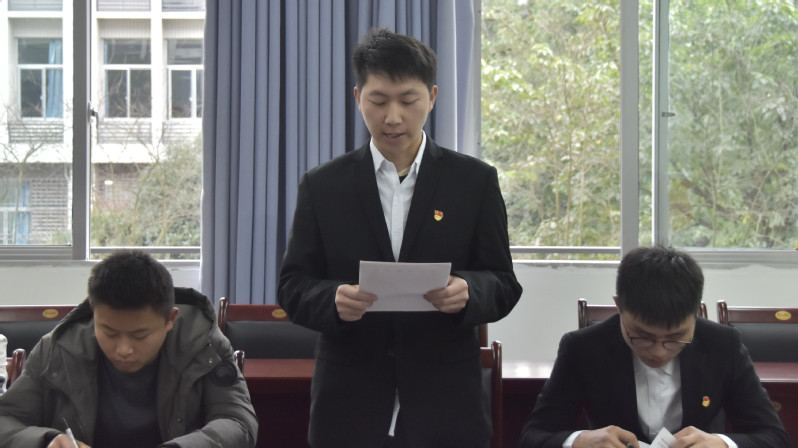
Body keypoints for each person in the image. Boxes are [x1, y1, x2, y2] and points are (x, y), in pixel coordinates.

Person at [278, 27, 522, 448]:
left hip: (446, 405)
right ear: (358, 98)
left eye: (408, 101)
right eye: (378, 101)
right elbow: (292, 286)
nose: (393, 117)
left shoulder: (474, 182)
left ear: (432, 97)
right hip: (349, 405)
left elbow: (504, 283)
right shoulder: (323, 186)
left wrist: (469, 290)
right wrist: (332, 299)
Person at [519, 245, 790, 448]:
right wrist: (578, 441)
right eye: (642, 337)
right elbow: (533, 436)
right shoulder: (583, 348)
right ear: (619, 306)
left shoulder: (723, 344)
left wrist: (721, 443)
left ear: (695, 312)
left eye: (675, 338)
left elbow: (774, 437)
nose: (659, 351)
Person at [0, 250, 258, 448]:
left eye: (139, 335)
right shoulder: (57, 350)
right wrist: (46, 440)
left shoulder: (204, 345)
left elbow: (238, 422)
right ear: (93, 314)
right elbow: (6, 419)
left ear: (170, 319)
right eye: (109, 332)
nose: (123, 349)